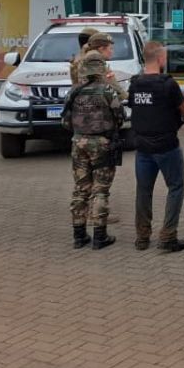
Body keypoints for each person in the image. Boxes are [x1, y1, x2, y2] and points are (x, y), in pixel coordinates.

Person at [63, 50, 125, 250]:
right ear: (101, 69)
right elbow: (120, 117)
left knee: (80, 189)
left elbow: (65, 122)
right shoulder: (107, 91)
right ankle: (100, 236)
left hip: (78, 143)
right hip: (102, 144)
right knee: (100, 190)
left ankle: (79, 236)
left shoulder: (73, 92)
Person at [129, 41, 184, 253]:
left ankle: (142, 237)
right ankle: (168, 236)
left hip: (143, 146)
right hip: (166, 145)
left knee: (143, 191)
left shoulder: (135, 84)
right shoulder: (168, 84)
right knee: (176, 187)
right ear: (161, 59)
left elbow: (133, 106)